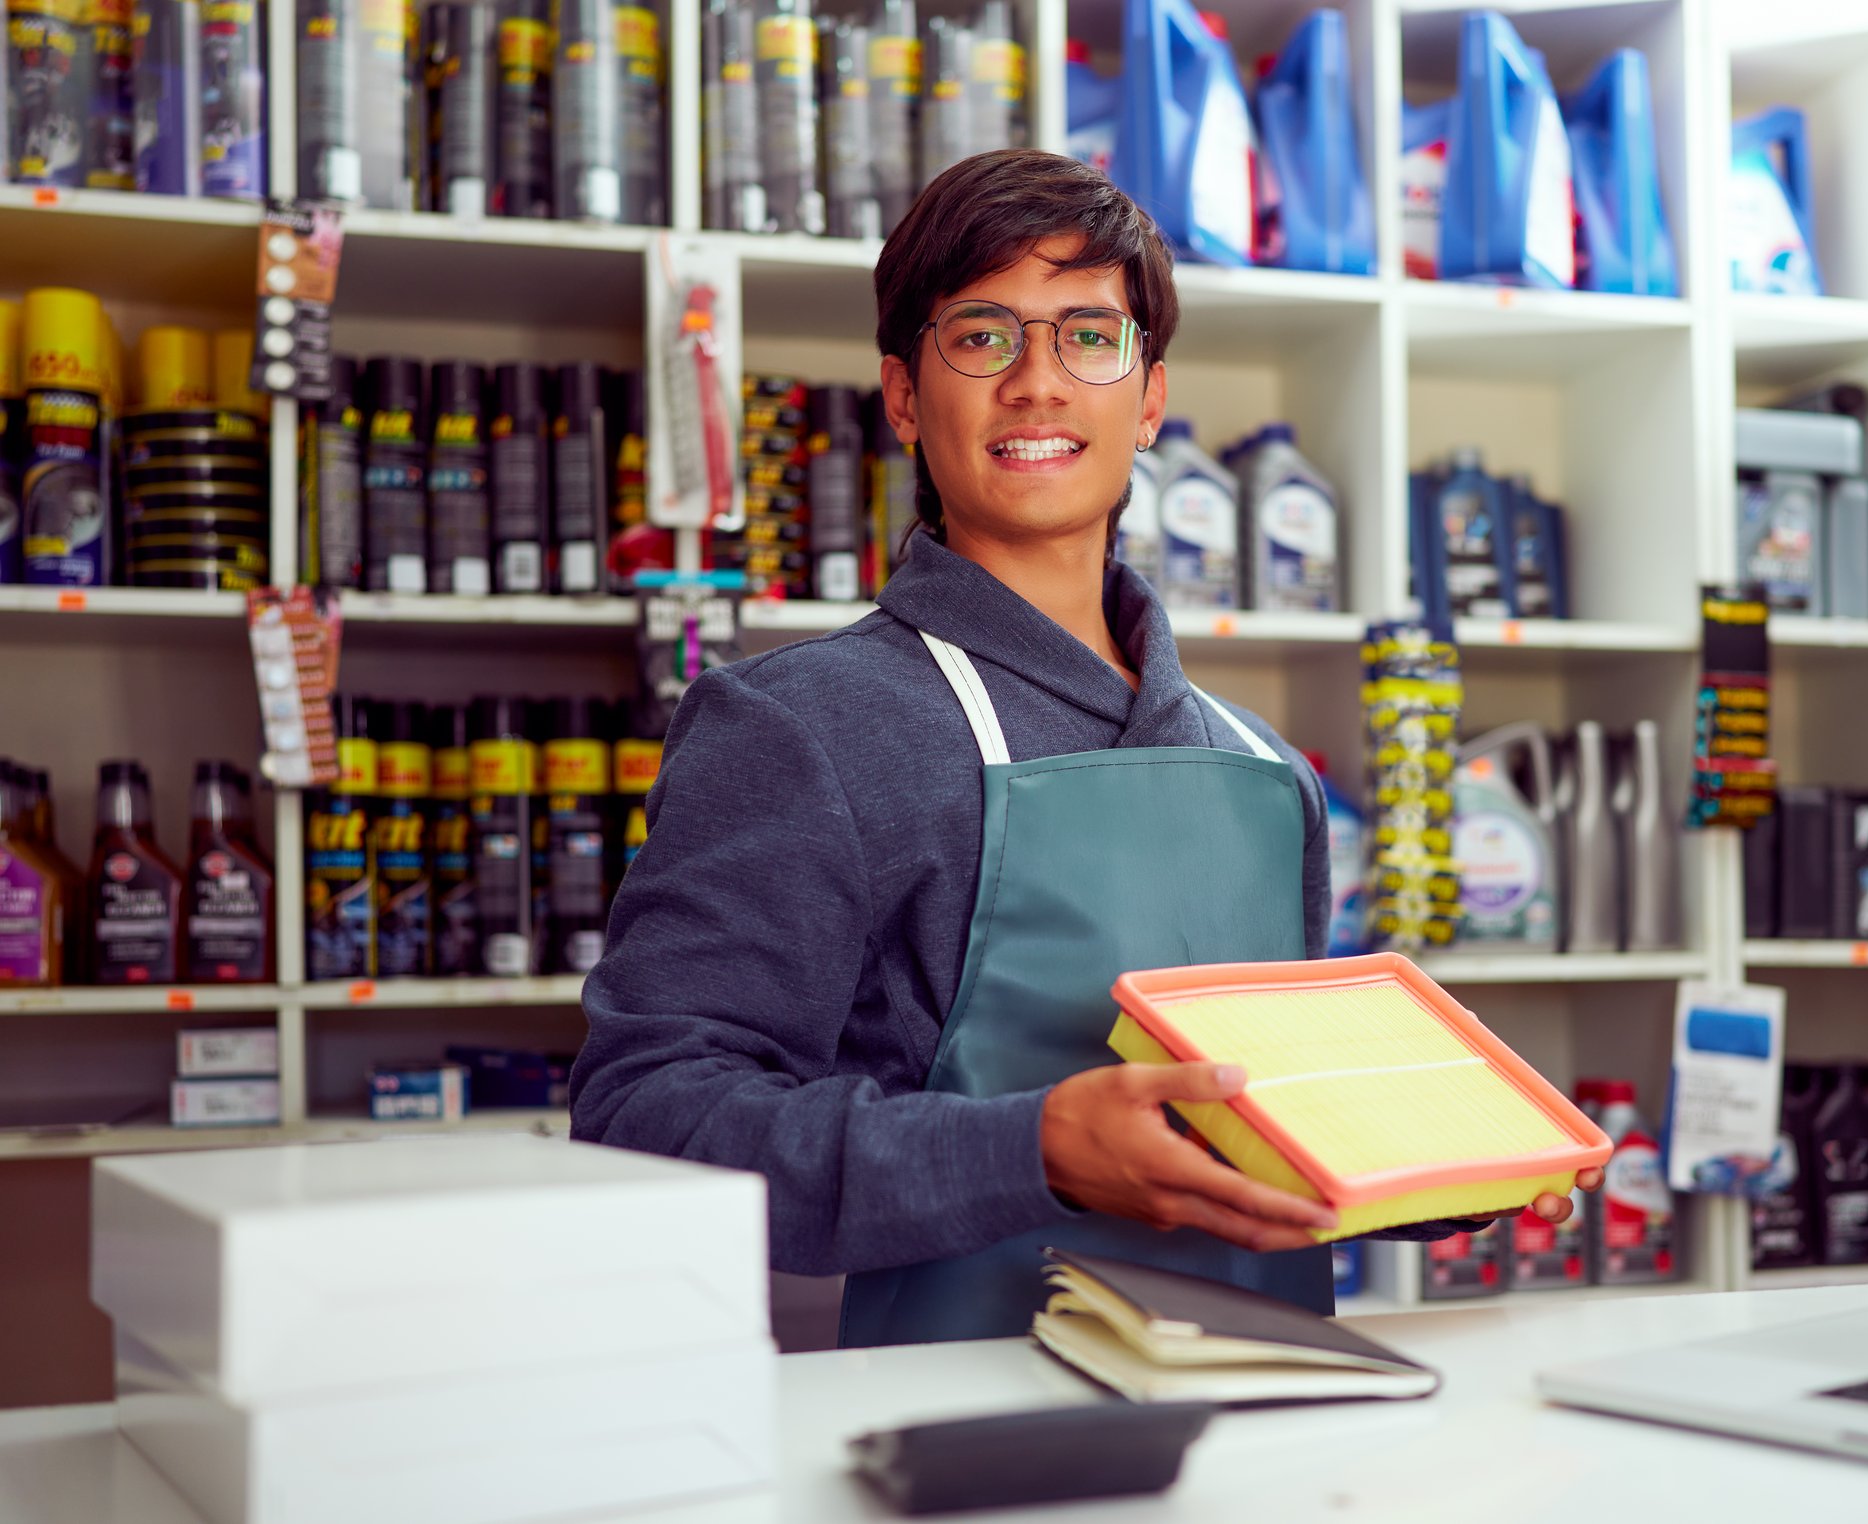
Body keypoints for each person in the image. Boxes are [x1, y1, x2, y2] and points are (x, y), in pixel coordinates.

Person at [572, 149, 1597, 1346]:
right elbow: (647, 1120)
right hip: (957, 1427)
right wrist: (1033, 1148)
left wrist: (1430, 1161)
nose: (1039, 385)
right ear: (904, 396)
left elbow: (1254, 1118)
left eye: (1088, 337)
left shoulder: (1264, 771)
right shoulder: (800, 726)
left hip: (1266, 1403)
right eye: (983, 336)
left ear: (1150, 396)